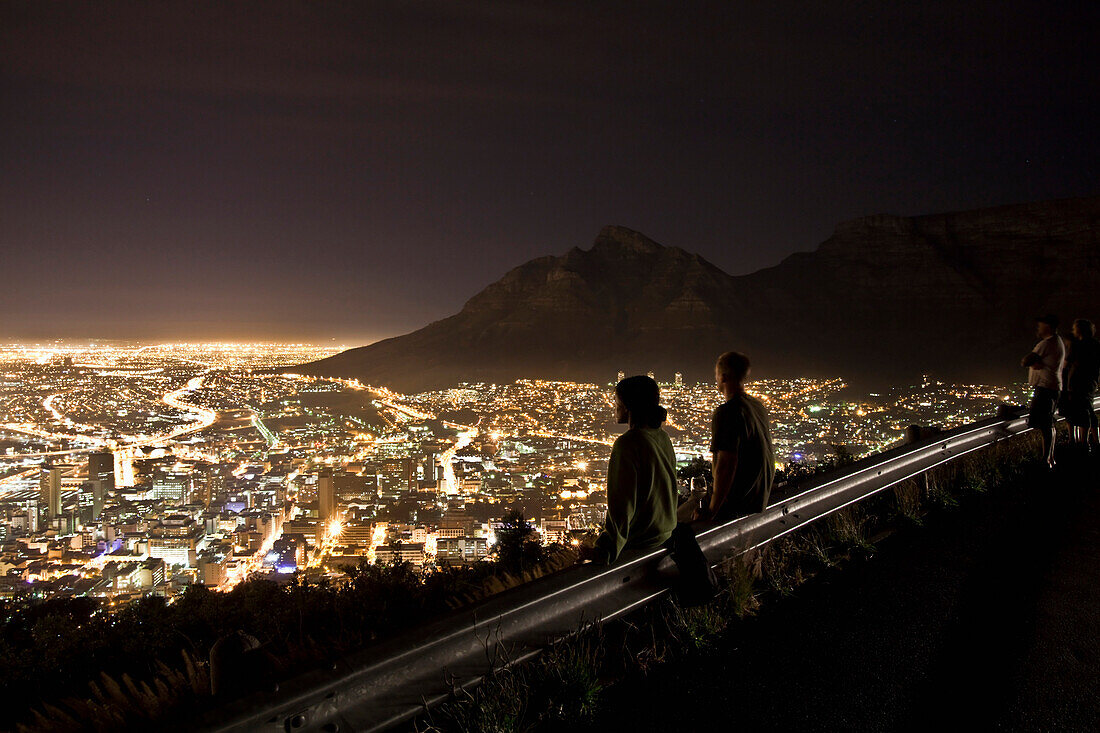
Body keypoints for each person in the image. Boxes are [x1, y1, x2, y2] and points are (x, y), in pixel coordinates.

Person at [581, 376, 677, 565]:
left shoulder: (627, 444)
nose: (615, 407)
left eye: (617, 401)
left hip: (641, 543)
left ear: (628, 405)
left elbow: (622, 506)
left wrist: (604, 551)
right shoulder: (662, 437)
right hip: (666, 537)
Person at [695, 351, 775, 522]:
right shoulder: (757, 406)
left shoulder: (727, 412)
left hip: (737, 502)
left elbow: (726, 465)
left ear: (723, 377)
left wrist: (711, 511)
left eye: (716, 375)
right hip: (759, 499)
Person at [1022, 314, 1066, 468]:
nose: (1038, 328)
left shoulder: (1046, 344)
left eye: (1040, 325)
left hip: (1045, 389)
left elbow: (1025, 361)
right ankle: (1050, 458)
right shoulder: (1058, 342)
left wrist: (1034, 361)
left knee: (1045, 425)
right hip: (1052, 388)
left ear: (1047, 326)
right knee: (1048, 424)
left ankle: (1046, 460)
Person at [1062, 318, 1100, 449]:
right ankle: (1091, 441)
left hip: (1077, 383)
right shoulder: (1096, 344)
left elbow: (1066, 364)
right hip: (1091, 383)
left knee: (1079, 412)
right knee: (1087, 410)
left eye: (1074, 328)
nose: (1073, 331)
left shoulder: (1077, 345)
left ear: (1079, 330)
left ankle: (1082, 443)